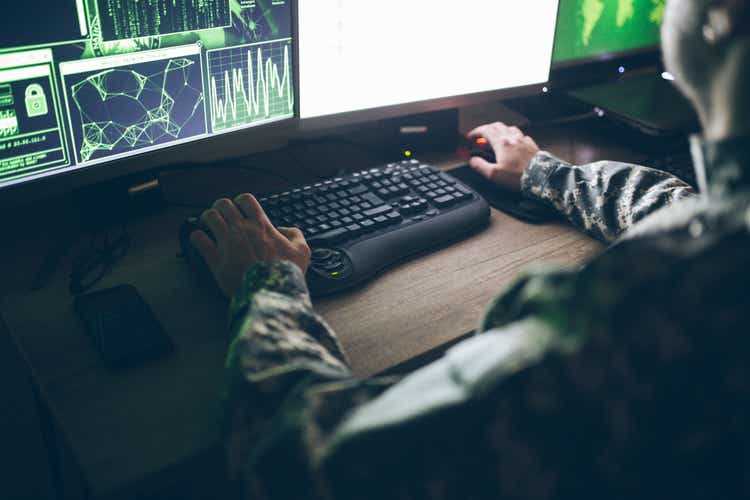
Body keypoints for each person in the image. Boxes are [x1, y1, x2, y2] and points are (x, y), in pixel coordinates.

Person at [189, 1, 750, 498]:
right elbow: (694, 211)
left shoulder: (644, 316)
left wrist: (266, 284)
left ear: (717, 21)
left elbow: (301, 466)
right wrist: (546, 174)